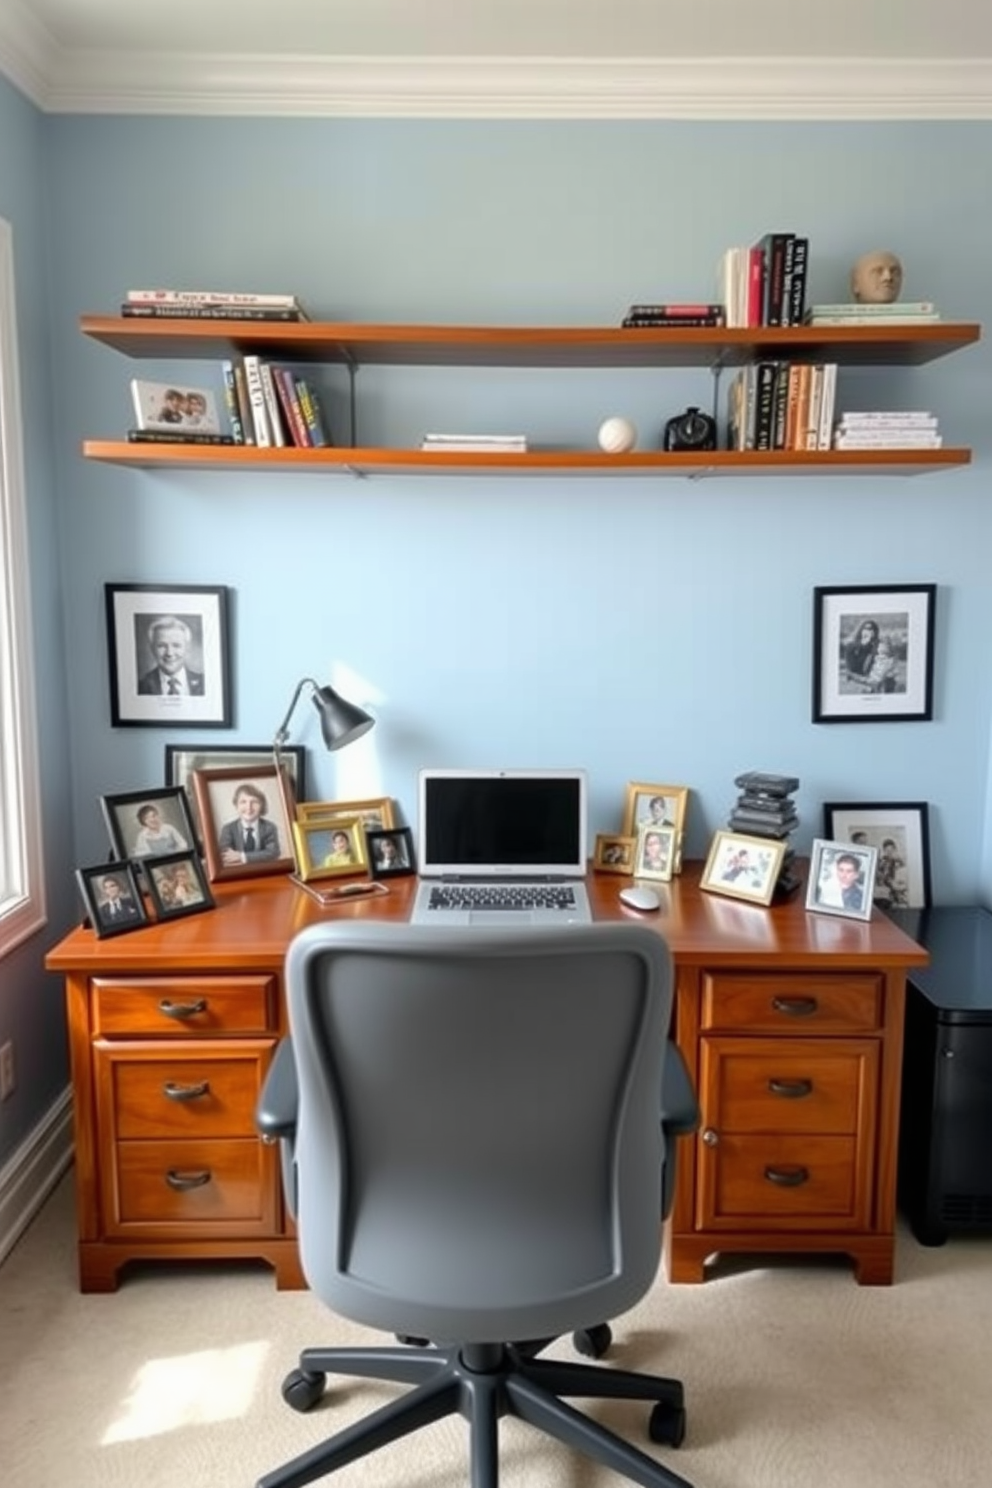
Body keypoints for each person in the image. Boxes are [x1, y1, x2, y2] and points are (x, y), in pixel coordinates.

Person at [137, 614, 205, 696]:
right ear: (152, 649)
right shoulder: (141, 686)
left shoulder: (204, 683)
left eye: (176, 645)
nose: (169, 653)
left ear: (187, 648)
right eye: (161, 646)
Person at [218, 783, 281, 865]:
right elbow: (225, 855)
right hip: (237, 872)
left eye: (254, 802)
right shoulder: (228, 829)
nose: (249, 807)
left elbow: (273, 853)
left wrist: (243, 857)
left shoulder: (269, 827)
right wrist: (260, 856)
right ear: (236, 806)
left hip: (264, 871)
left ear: (262, 805)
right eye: (243, 802)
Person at [841, 618, 881, 691]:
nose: (869, 632)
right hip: (856, 682)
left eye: (872, 629)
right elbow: (852, 668)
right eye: (866, 629)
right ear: (861, 630)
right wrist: (862, 646)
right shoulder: (851, 647)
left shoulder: (878, 647)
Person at [876, 838, 909, 907]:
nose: (889, 852)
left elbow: (903, 875)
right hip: (885, 888)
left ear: (895, 849)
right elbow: (880, 876)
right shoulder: (882, 861)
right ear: (884, 850)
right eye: (887, 850)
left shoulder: (899, 861)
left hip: (897, 886)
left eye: (891, 850)